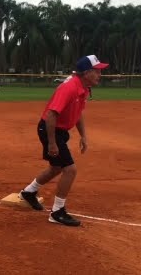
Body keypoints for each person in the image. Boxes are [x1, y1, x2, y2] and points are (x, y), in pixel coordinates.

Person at [18, 54, 108, 227]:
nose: (100, 75)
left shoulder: (83, 88)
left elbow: (78, 112)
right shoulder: (69, 88)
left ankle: (29, 193)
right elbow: (51, 114)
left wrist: (83, 135)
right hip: (50, 129)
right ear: (87, 72)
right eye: (97, 71)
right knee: (70, 170)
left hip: (58, 131)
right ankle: (57, 212)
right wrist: (52, 142)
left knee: (56, 167)